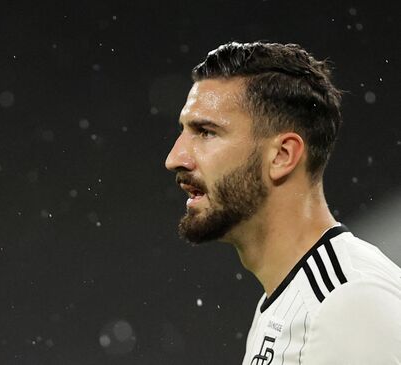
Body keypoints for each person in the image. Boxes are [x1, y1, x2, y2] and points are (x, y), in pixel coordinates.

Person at [164, 41, 401, 364]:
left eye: (206, 132)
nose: (175, 158)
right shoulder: (286, 304)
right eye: (184, 132)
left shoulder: (347, 304)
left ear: (282, 156)